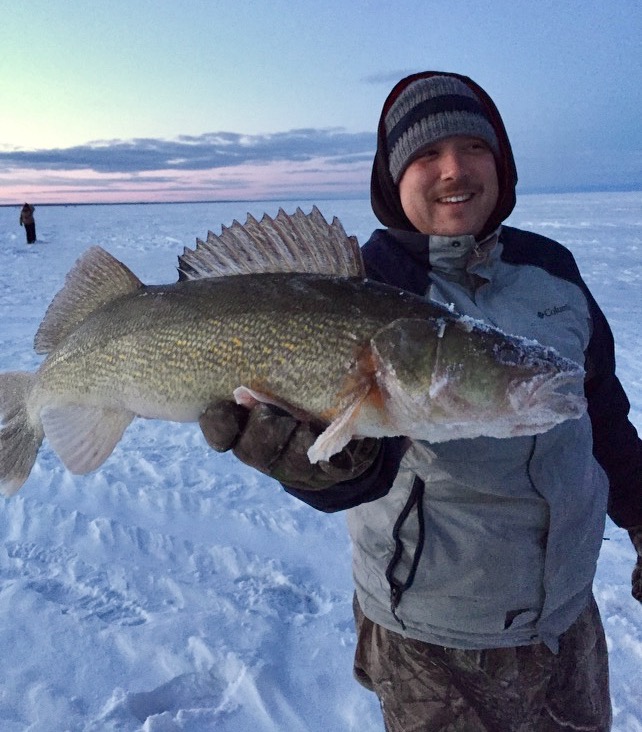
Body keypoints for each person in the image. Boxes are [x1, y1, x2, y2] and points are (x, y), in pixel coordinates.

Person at [199, 72, 642, 731]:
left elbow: (599, 411)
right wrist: (317, 467)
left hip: (568, 620)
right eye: (427, 154)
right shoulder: (366, 286)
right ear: (393, 175)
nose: (455, 170)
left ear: (502, 162)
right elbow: (359, 471)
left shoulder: (552, 269)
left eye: (475, 147)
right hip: (434, 640)